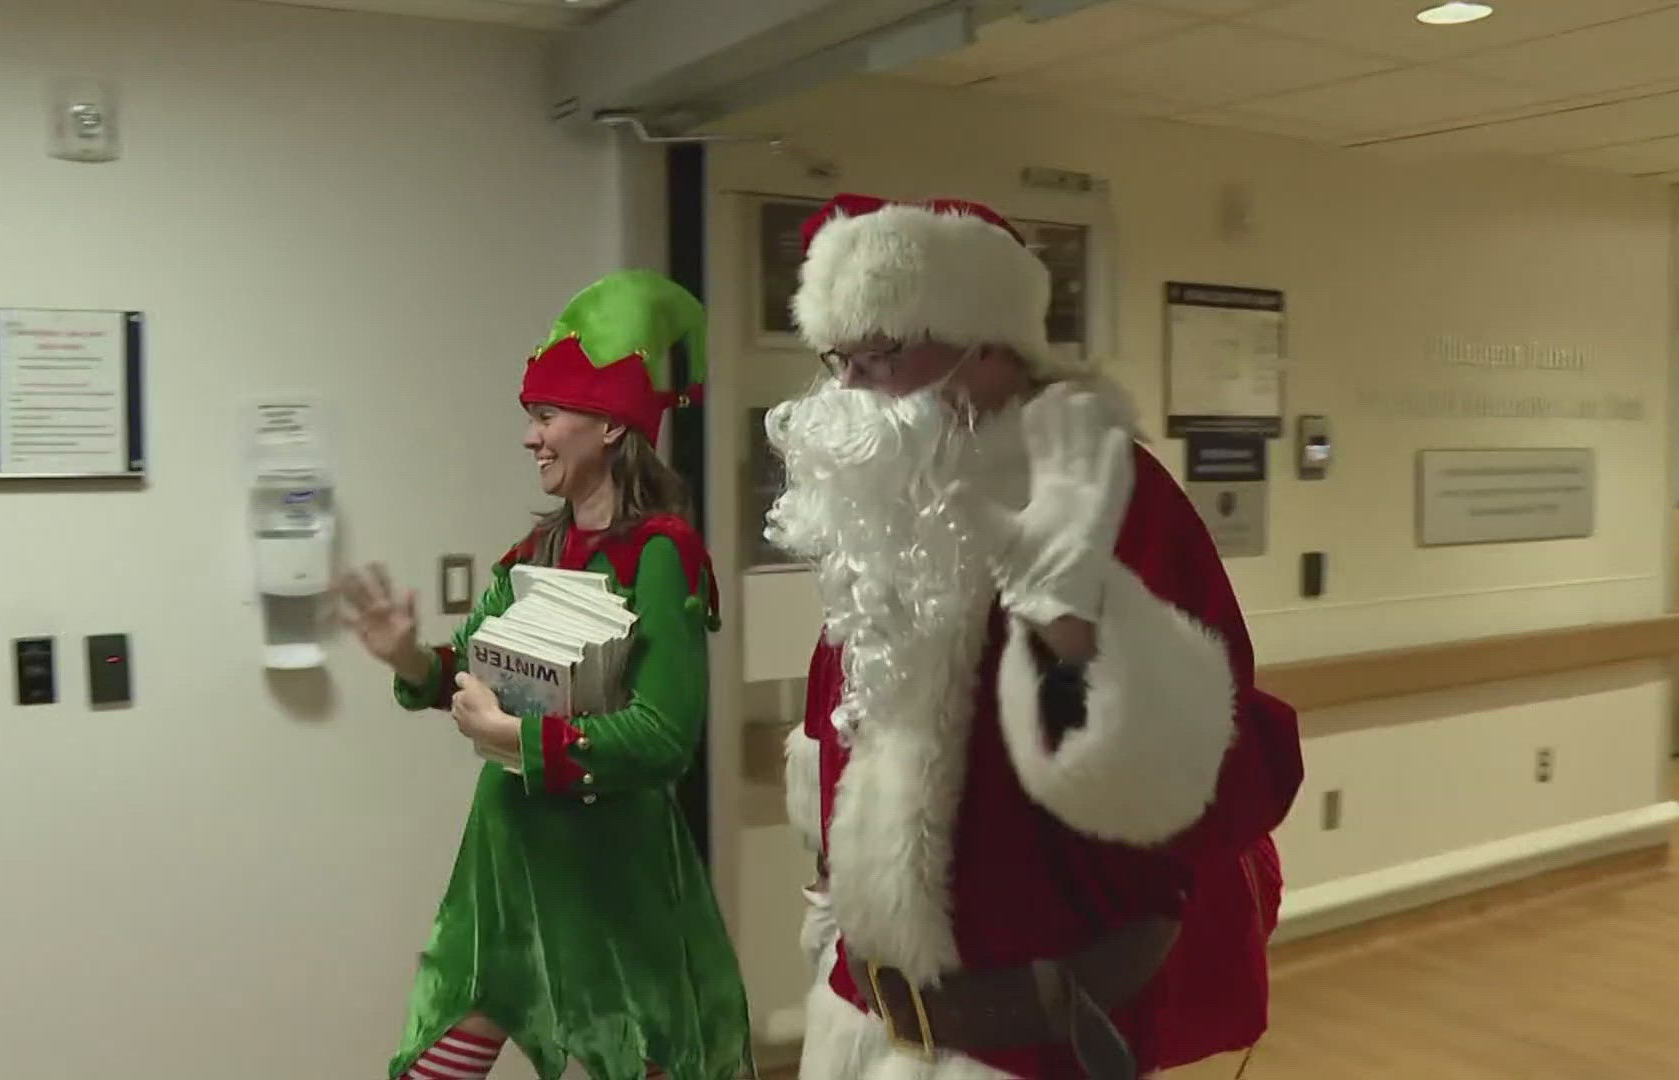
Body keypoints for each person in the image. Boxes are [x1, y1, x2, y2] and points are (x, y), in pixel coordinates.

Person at [771, 194, 1305, 1080]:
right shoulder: (888, 520)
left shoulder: (1107, 495)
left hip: (1035, 1045)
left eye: (885, 353)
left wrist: (1084, 646)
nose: (852, 389)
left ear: (990, 348)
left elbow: (1231, 782)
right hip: (866, 1027)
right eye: (840, 358)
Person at [340, 270, 754, 1080]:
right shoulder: (536, 553)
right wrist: (414, 660)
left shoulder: (660, 555)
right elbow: (475, 668)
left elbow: (665, 737)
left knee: (632, 1054)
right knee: (436, 1063)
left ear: (607, 427)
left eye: (545, 416)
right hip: (504, 870)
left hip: (606, 880)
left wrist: (519, 738)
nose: (530, 437)